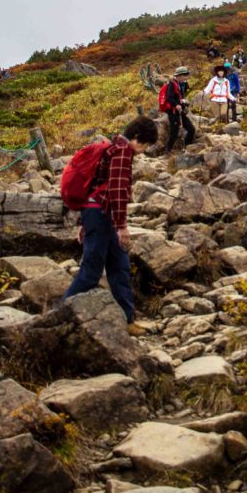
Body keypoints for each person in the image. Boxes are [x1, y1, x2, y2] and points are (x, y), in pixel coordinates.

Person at [62, 115, 159, 324]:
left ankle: (127, 318)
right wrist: (122, 226)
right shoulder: (123, 152)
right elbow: (117, 190)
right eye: (146, 144)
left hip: (95, 212)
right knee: (91, 271)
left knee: (120, 266)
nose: (144, 150)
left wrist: (83, 222)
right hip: (101, 214)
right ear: (137, 137)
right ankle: (61, 316)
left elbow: (96, 184)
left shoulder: (112, 146)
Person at [165, 66, 196, 151]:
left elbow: (181, 97)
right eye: (184, 75)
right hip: (173, 111)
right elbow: (169, 98)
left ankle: (187, 147)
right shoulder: (172, 84)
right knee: (174, 132)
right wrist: (176, 105)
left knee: (191, 129)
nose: (185, 77)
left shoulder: (183, 84)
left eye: (186, 75)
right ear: (179, 76)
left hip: (180, 111)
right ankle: (168, 151)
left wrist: (183, 105)